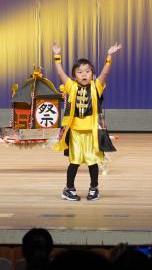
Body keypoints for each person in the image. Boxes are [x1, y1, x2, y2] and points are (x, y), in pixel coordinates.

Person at [51, 42, 121, 201]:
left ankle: (94, 188)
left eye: (88, 71)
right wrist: (57, 56)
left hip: (92, 132)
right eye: (80, 72)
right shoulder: (71, 86)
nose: (84, 74)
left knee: (92, 162)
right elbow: (61, 74)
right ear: (74, 76)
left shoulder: (96, 86)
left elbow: (105, 74)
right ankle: (69, 189)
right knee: (74, 162)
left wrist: (109, 56)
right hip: (75, 132)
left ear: (92, 74)